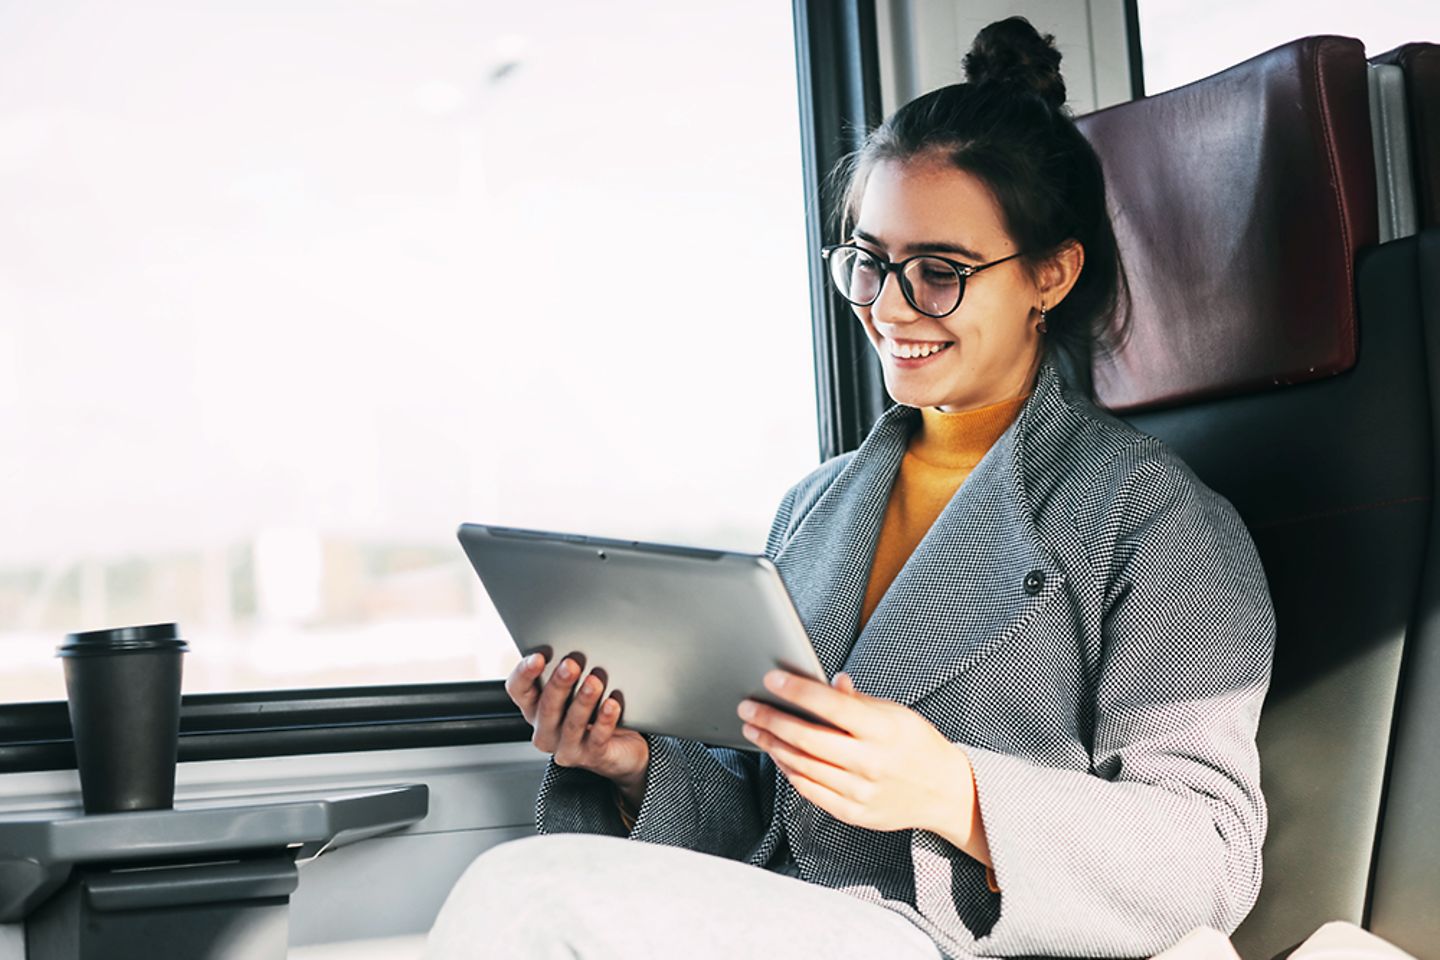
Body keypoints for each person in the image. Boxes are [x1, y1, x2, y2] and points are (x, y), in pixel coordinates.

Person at [425, 16, 1274, 960]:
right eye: (868, 263)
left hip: (958, 942)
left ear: (1050, 274)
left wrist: (957, 793)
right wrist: (633, 767)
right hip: (799, 921)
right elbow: (765, 822)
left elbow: (1211, 855)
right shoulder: (816, 507)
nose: (890, 308)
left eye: (939, 273)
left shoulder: (1154, 519)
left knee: (531, 895)